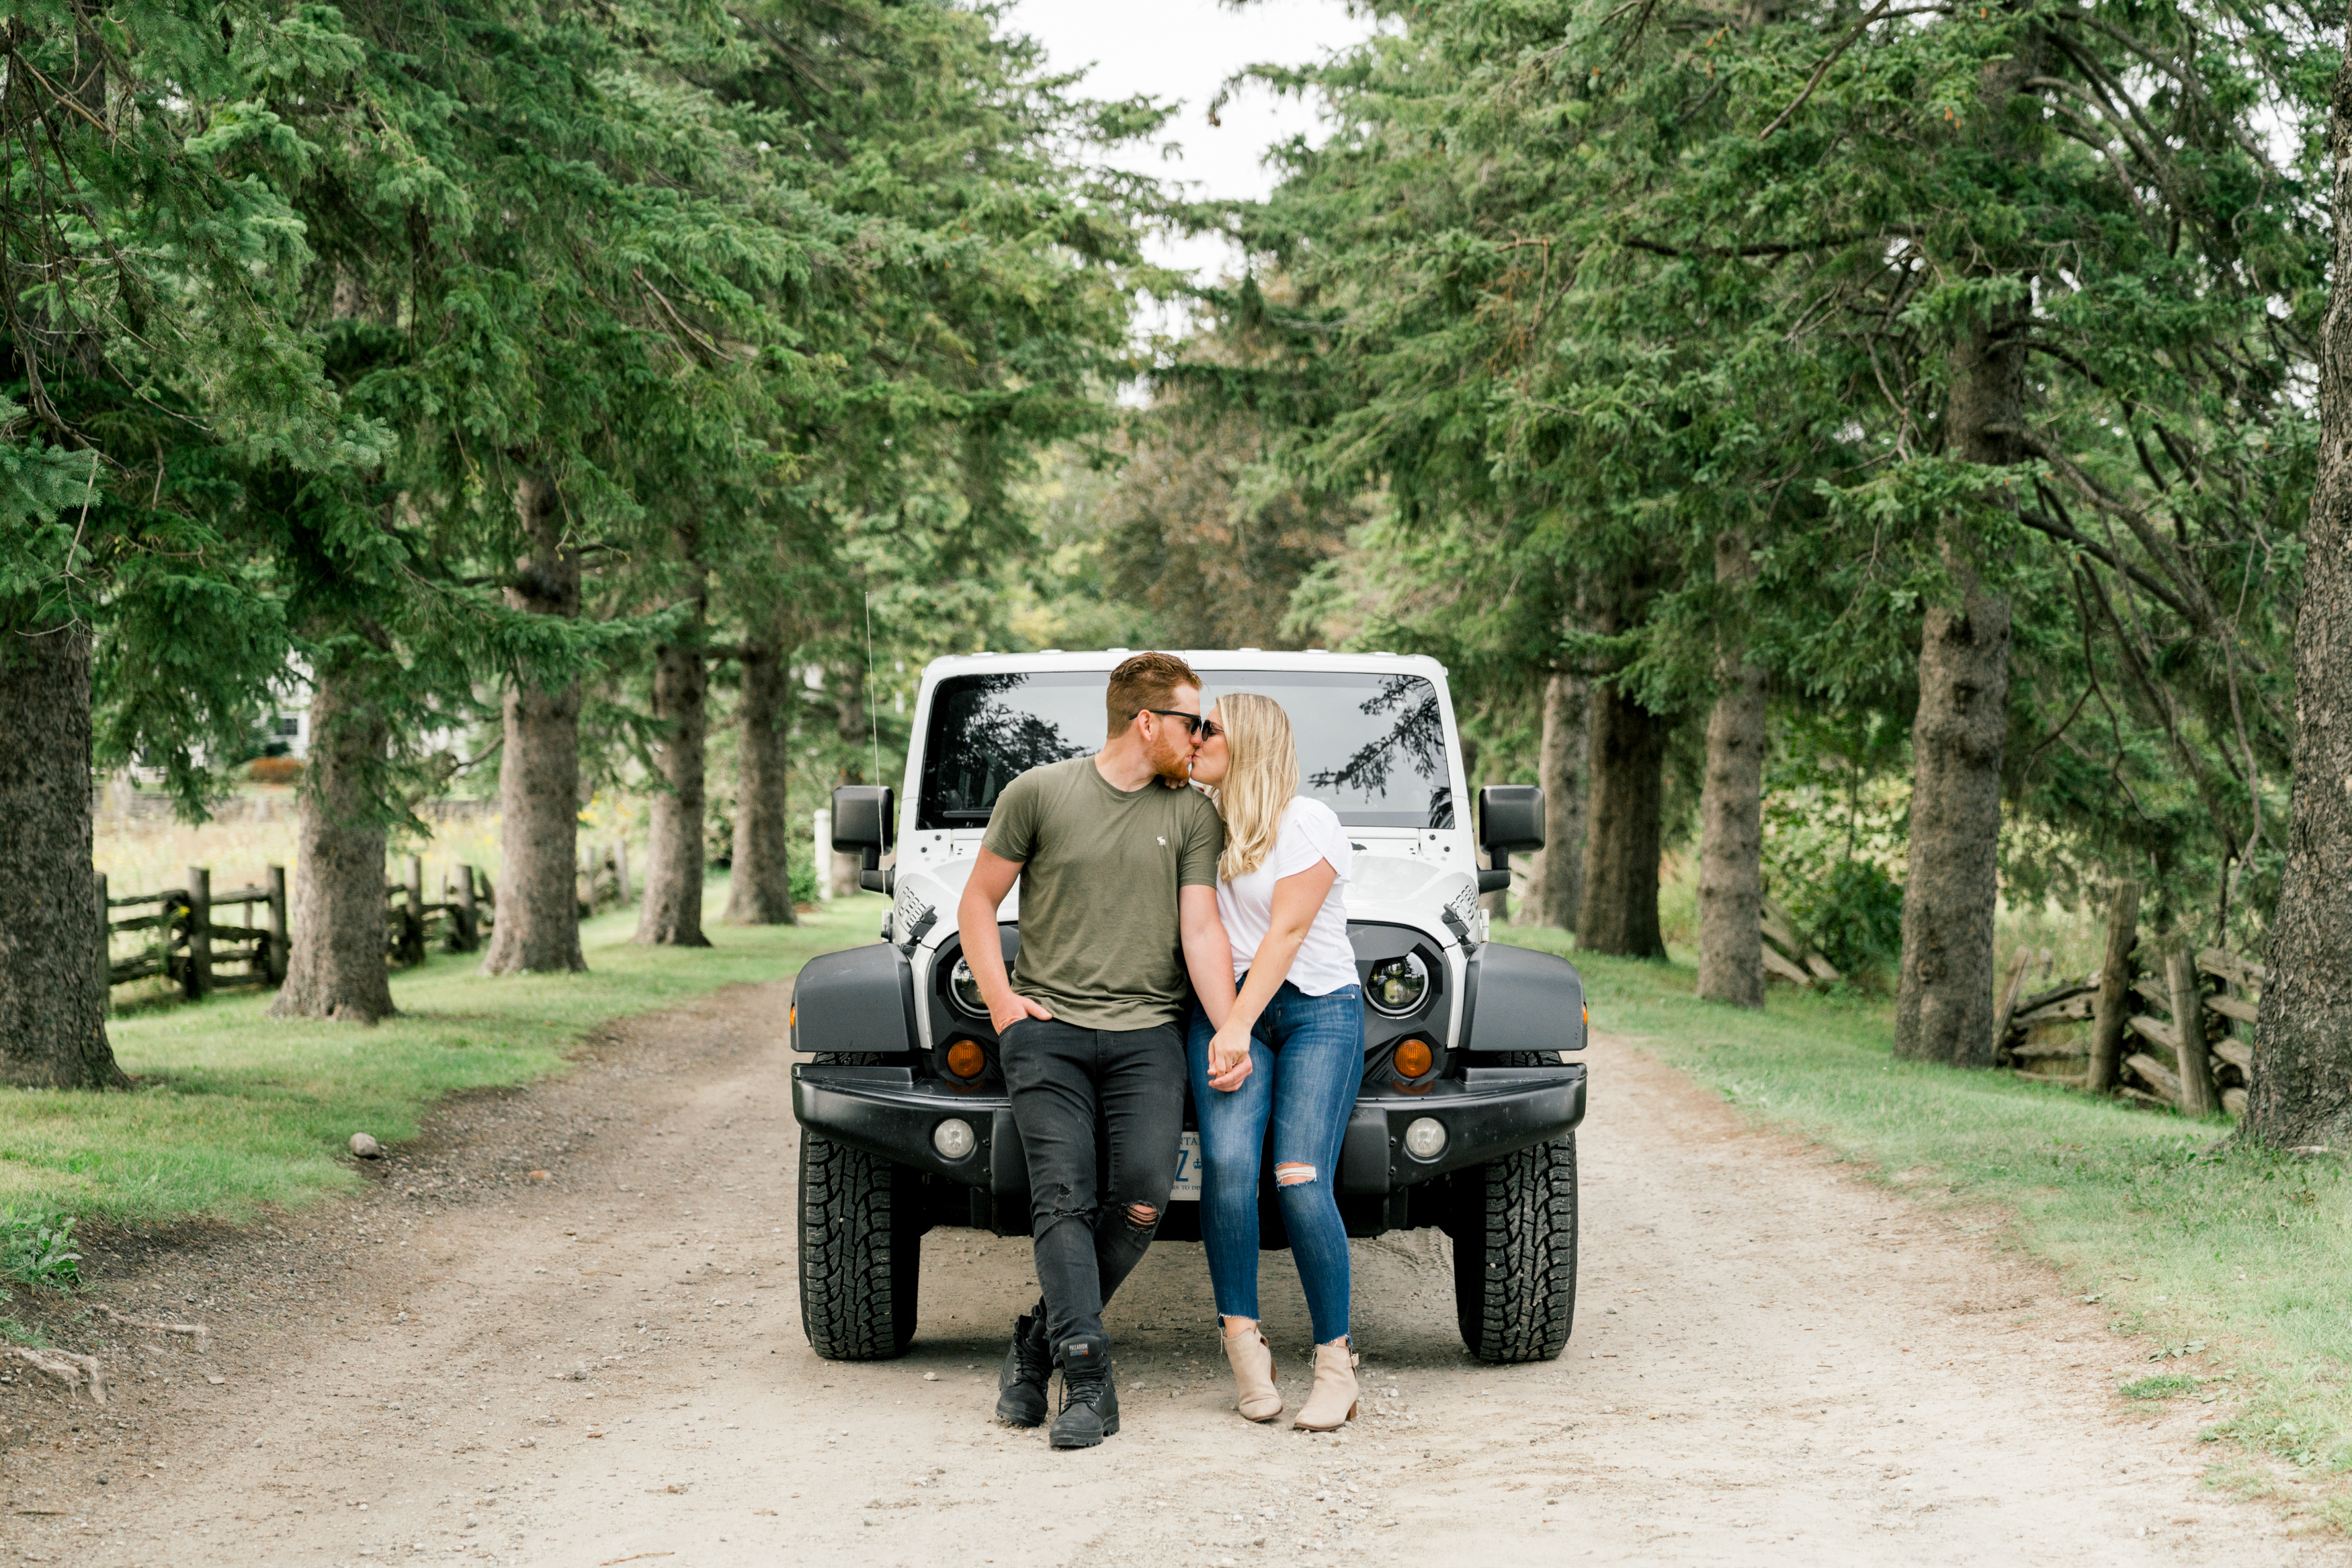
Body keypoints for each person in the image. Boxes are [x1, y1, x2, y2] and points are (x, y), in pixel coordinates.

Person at [957, 651, 1231, 1450]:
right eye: (1193, 721)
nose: (1202, 734)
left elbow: (1200, 927)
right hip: (1048, 1035)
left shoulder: (1191, 814)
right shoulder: (1038, 793)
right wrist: (1004, 1005)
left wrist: (1229, 1026)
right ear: (1146, 721)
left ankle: (1035, 1340)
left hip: (1147, 1033)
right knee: (1061, 1200)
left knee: (1144, 1199)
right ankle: (1086, 1380)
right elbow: (978, 901)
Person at [1186, 692, 1363, 1431]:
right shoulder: (1196, 820)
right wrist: (1226, 1024)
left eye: (1206, 728)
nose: (1191, 738)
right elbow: (1200, 934)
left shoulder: (1307, 821)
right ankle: (1242, 1347)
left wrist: (1234, 1026)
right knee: (1225, 1169)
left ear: (1248, 740)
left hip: (1317, 1009)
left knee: (1296, 1174)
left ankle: (1334, 1362)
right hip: (1229, 1010)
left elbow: (1286, 933)